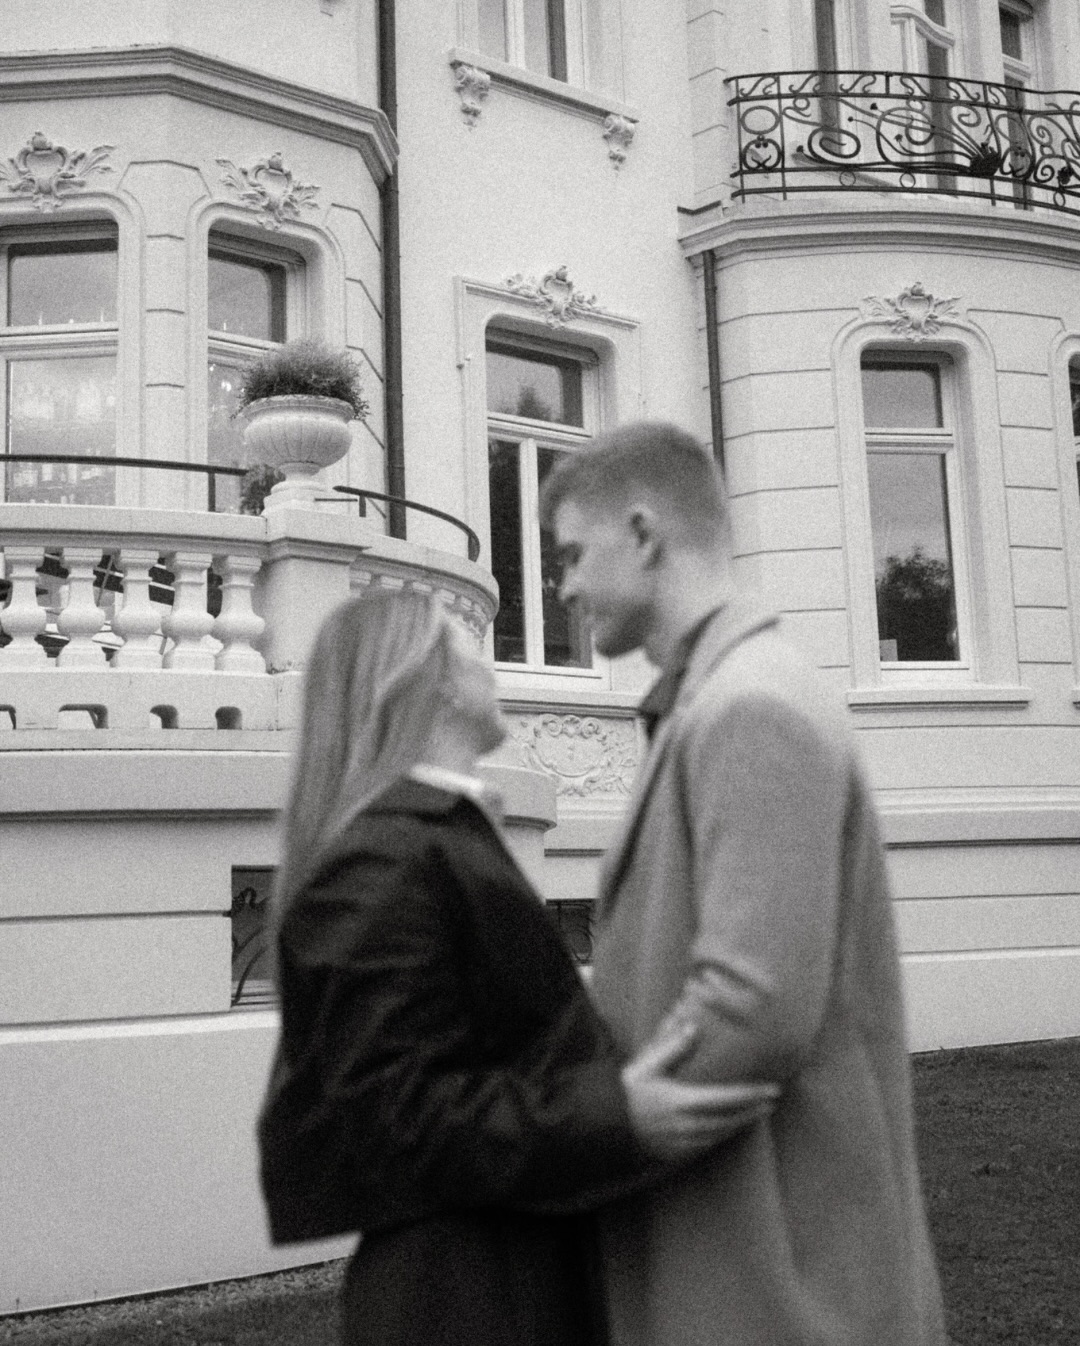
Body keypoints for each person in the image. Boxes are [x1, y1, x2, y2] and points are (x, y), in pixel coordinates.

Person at [257, 589, 775, 1346]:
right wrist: (617, 1115)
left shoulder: (429, 840)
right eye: (467, 643)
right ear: (430, 679)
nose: (488, 659)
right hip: (465, 1296)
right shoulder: (383, 857)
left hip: (502, 1271)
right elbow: (389, 1118)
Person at [541, 422, 947, 1346]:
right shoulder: (716, 698)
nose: (560, 585)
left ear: (644, 534)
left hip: (782, 1289)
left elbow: (751, 1008)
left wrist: (589, 1133)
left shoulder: (750, 704)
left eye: (571, 554)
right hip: (746, 1269)